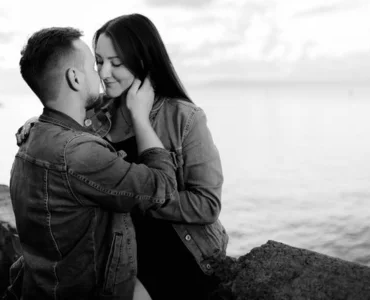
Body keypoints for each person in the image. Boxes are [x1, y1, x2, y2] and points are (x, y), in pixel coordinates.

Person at [18, 15, 229, 300]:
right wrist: (36, 122)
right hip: (119, 258)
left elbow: (207, 205)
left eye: (116, 63)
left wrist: (131, 195)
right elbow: (62, 130)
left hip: (179, 256)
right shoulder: (95, 112)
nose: (105, 73)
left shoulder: (184, 117)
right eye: (99, 61)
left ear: (143, 60)